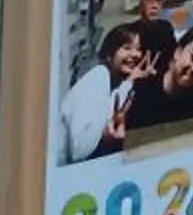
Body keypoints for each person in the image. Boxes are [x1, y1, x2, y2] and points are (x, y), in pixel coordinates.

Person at [60, 23, 151, 162]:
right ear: (109, 53)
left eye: (139, 49)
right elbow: (80, 149)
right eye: (127, 48)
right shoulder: (98, 77)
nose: (135, 54)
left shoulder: (114, 83)